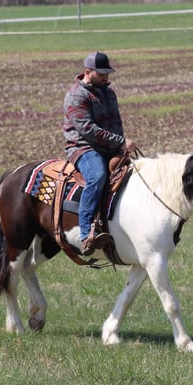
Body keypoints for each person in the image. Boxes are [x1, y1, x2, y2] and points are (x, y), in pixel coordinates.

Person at [63, 51, 135, 255]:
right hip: (83, 147)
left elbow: (115, 124)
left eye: (107, 73)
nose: (106, 77)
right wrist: (120, 142)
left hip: (109, 147)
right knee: (98, 176)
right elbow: (89, 130)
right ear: (88, 71)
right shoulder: (77, 96)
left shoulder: (109, 92)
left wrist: (121, 148)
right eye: (102, 73)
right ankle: (86, 234)